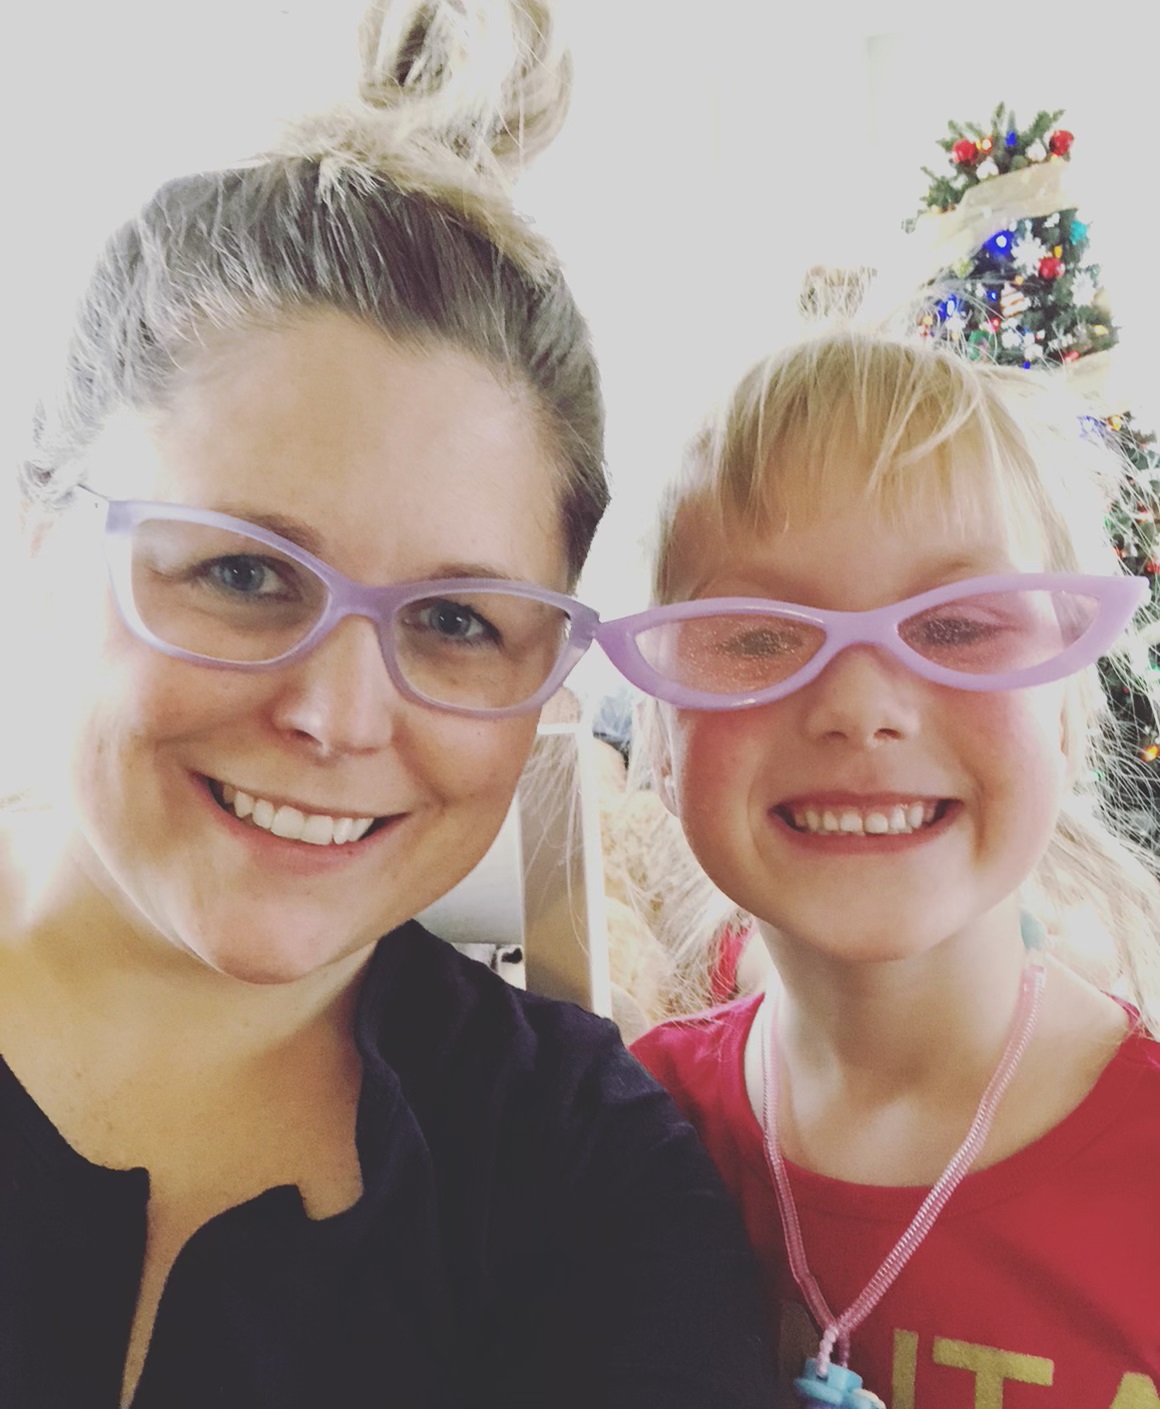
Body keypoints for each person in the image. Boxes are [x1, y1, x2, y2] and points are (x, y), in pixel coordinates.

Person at [0, 4, 776, 1405]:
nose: (340, 715)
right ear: (46, 546)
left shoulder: (582, 1179)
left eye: (459, 620)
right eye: (242, 570)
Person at [597, 328, 1160, 1406]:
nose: (858, 703)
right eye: (757, 634)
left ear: (1065, 720)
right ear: (660, 737)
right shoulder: (624, 1133)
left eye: (953, 625)